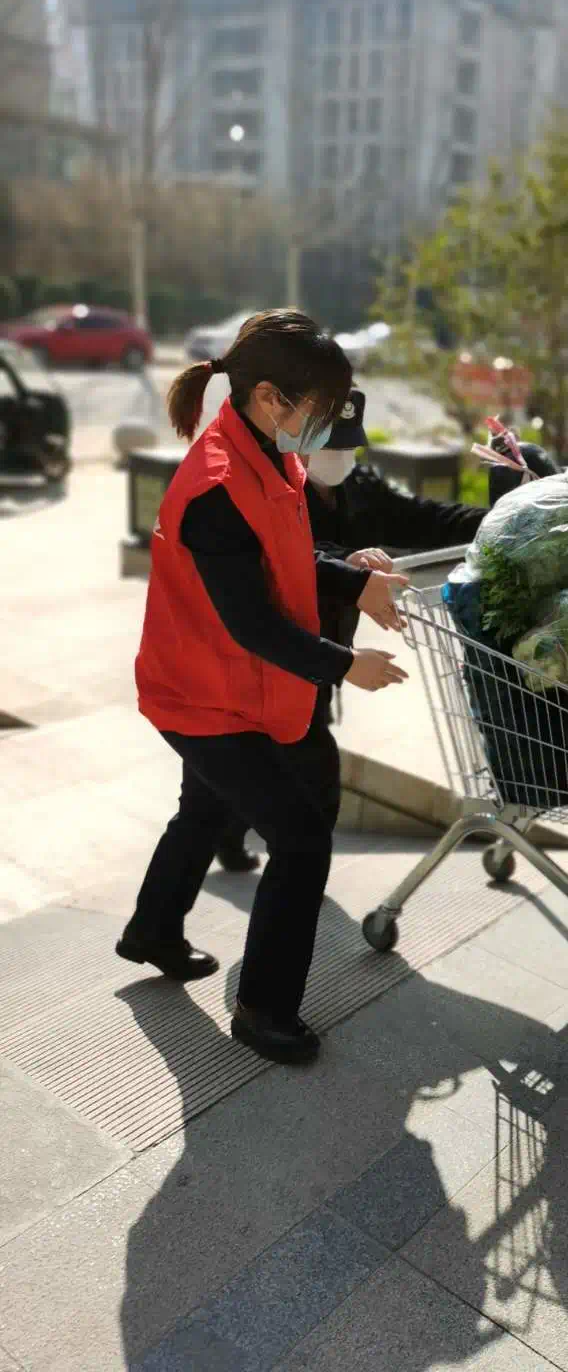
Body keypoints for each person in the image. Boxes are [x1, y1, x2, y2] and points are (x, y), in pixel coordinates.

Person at [117, 309, 409, 1066]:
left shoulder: (265, 453)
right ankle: (264, 1011)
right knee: (301, 836)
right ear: (272, 398)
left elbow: (284, 555)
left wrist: (351, 578)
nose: (329, 423)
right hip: (202, 693)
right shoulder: (217, 484)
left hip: (230, 685)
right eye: (322, 407)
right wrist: (345, 665)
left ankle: (152, 930)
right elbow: (252, 622)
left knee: (205, 807)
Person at [213, 435, 558, 872]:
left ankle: (236, 837)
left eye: (346, 447)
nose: (338, 457)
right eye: (329, 445)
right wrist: (350, 566)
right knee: (301, 766)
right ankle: (276, 866)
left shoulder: (358, 488)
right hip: (279, 646)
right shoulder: (274, 489)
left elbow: (422, 518)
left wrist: (502, 519)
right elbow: (293, 554)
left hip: (323, 646)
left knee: (279, 753)